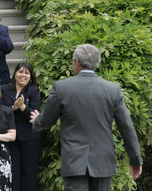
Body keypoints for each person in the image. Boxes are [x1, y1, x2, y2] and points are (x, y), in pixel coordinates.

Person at [30, 44, 142, 190]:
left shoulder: (62, 88)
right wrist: (135, 159)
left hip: (74, 163)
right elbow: (126, 127)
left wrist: (36, 120)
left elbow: (46, 120)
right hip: (102, 162)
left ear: (76, 62)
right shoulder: (113, 90)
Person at [0, 61, 40, 191]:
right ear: (15, 73)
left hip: (29, 138)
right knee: (12, 171)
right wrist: (13, 108)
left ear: (31, 76)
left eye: (27, 73)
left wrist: (22, 107)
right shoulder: (4, 89)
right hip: (10, 137)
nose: (23, 75)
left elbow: (33, 116)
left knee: (29, 173)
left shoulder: (34, 91)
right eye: (20, 71)